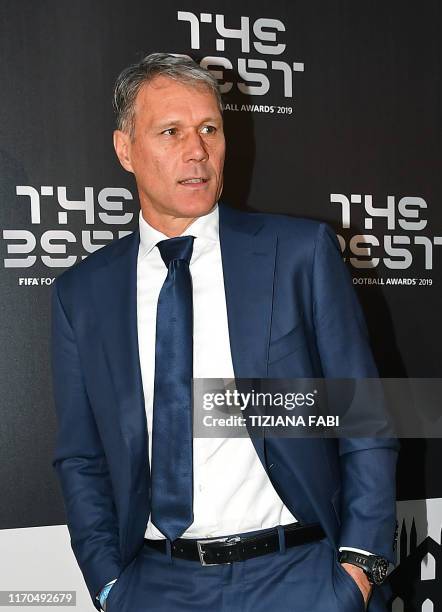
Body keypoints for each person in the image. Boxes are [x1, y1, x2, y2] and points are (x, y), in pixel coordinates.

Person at [51, 53, 398, 612]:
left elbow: (364, 415)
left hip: (302, 578)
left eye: (209, 128)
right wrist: (110, 585)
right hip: (155, 586)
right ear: (124, 150)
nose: (197, 150)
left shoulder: (298, 253)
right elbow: (81, 455)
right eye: (171, 132)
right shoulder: (82, 294)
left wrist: (358, 566)